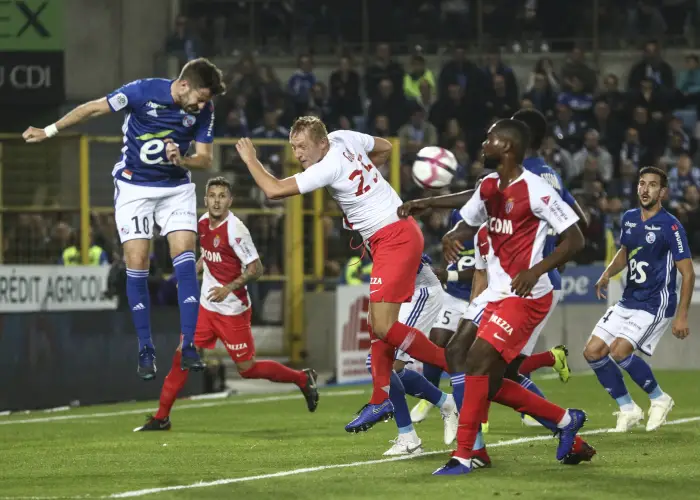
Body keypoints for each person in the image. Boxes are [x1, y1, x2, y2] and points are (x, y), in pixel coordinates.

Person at [234, 117, 449, 432]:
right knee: (378, 329)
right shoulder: (344, 138)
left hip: (393, 238)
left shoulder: (326, 167)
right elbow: (386, 148)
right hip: (394, 234)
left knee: (384, 326)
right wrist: (364, 180)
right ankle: (381, 401)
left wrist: (251, 160)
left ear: (321, 143)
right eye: (293, 147)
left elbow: (273, 189)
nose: (298, 154)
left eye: (303, 147)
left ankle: (456, 367)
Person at [22, 58, 227, 379]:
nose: (203, 104)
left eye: (207, 101)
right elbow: (92, 109)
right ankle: (145, 349)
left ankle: (189, 344)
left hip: (175, 188)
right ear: (184, 85)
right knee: (137, 261)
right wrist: (48, 131)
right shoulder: (141, 92)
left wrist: (183, 159)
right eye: (200, 97)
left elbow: (205, 159)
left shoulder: (204, 111)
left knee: (185, 260)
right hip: (135, 188)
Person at [433, 119, 586, 476]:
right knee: (491, 382)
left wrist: (537, 269)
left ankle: (464, 455)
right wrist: (451, 234)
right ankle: (566, 421)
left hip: (528, 294)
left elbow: (576, 238)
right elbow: (467, 219)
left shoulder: (537, 189)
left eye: (490, 139)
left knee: (475, 361)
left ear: (507, 147)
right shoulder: (487, 186)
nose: (483, 144)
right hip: (497, 293)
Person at [134, 177, 319, 431]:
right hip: (206, 309)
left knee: (247, 368)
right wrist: (191, 274)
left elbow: (256, 268)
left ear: (230, 201)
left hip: (233, 310)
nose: (217, 200)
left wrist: (227, 288)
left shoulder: (236, 230)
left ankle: (301, 378)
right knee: (183, 355)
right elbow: (207, 255)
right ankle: (161, 417)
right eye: (213, 195)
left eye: (222, 196)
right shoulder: (201, 223)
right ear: (206, 199)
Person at [583, 167, 694, 433]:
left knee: (619, 351)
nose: (645, 189)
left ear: (663, 192)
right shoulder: (630, 218)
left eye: (652, 185)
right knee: (593, 351)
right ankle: (628, 408)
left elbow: (688, 273)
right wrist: (608, 273)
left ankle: (659, 398)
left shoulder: (671, 226)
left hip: (655, 304)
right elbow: (625, 251)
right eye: (642, 184)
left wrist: (681, 316)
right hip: (628, 300)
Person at [363, 255, 459, 455]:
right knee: (379, 365)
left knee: (385, 366)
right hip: (400, 295)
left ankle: (409, 437)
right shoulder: (364, 229)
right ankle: (445, 403)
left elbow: (401, 260)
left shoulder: (375, 225)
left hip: (419, 292)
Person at [410, 210, 476, 425]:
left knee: (478, 355)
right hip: (452, 295)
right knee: (436, 342)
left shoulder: (493, 230)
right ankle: (430, 396)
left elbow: (486, 272)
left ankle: (478, 411)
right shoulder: (456, 221)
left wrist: (450, 275)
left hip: (480, 296)